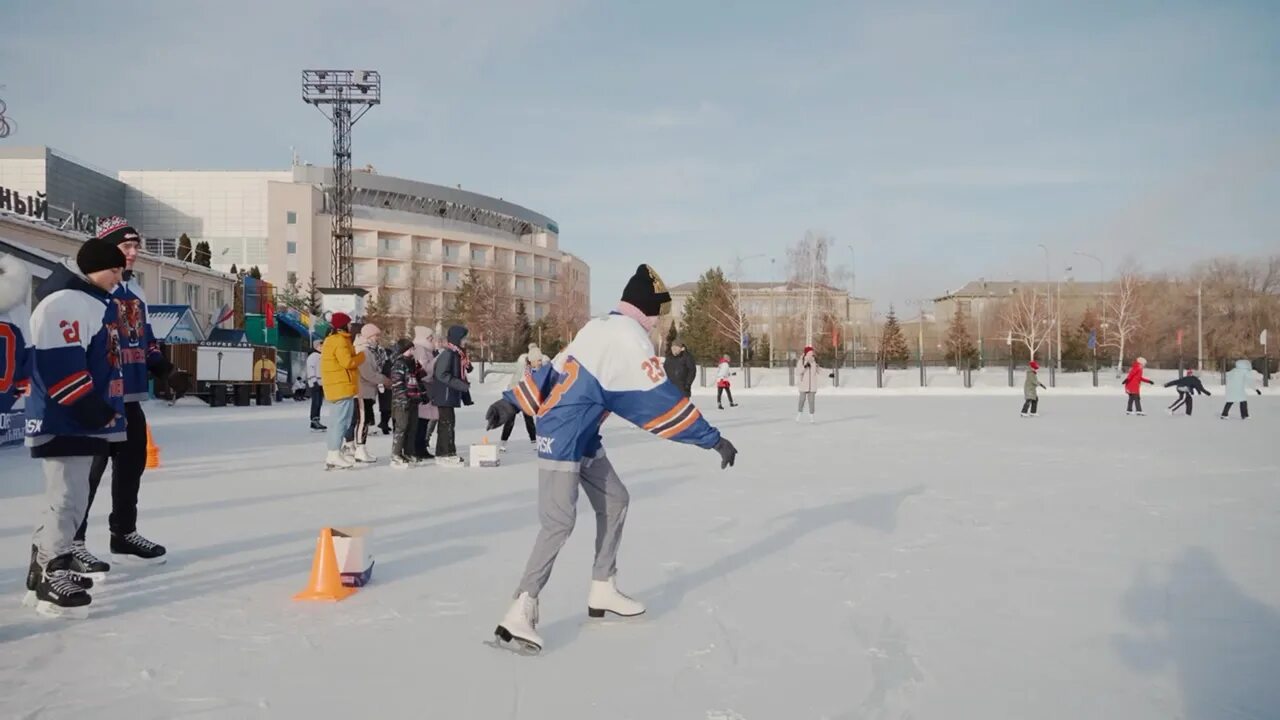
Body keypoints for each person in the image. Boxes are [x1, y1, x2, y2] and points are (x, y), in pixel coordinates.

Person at [484, 264, 738, 654]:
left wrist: (513, 400)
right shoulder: (627, 337)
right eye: (656, 313)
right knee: (559, 522)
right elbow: (658, 396)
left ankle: (602, 587)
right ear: (644, 310)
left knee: (616, 499)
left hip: (583, 435)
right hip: (563, 431)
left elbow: (554, 368)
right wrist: (711, 438)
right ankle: (520, 608)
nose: (656, 323)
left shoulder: (599, 326)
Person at [37, 218, 174, 573]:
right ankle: (73, 542)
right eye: (125, 248)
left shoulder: (135, 291)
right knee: (87, 474)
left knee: (131, 467)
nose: (133, 254)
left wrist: (162, 367)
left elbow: (144, 336)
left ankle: (124, 533)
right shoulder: (89, 290)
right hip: (95, 398)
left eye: (135, 247)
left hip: (129, 394)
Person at [24, 238, 129, 618]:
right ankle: (52, 571)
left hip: (77, 418)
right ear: (93, 268)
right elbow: (60, 363)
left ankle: (46, 566)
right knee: (66, 498)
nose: (119, 277)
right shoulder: (66, 303)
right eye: (113, 270)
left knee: (70, 497)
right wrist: (90, 408)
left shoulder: (89, 300)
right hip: (64, 417)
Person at [320, 312, 365, 469]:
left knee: (335, 422)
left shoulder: (331, 340)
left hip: (335, 386)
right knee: (341, 422)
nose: (351, 326)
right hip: (342, 386)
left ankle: (333, 453)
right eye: (349, 323)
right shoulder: (340, 341)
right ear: (344, 325)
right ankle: (334, 454)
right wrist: (361, 357)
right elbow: (347, 362)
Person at [430, 325, 472, 466]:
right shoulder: (448, 354)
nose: (466, 341)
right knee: (446, 424)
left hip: (449, 395)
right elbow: (441, 374)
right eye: (464, 338)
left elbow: (460, 370)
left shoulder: (457, 354)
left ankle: (445, 452)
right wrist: (461, 385)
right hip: (444, 395)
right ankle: (445, 453)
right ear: (457, 339)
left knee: (448, 423)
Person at [347, 323, 389, 464]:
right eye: (376, 335)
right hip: (361, 391)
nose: (378, 338)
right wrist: (384, 380)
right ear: (369, 336)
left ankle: (357, 447)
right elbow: (368, 374)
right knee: (362, 420)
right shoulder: (363, 351)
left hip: (366, 390)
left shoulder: (368, 350)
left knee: (362, 420)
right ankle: (360, 449)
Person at [0, 253, 32, 431]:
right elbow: (30, 361)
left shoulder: (18, 314)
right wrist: (14, 398)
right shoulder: (18, 312)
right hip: (5, 402)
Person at [388, 338, 428, 468]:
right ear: (404, 350)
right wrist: (403, 398)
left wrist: (423, 395)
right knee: (402, 427)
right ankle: (396, 454)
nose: (412, 351)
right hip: (402, 402)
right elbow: (397, 384)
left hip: (414, 400)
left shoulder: (413, 364)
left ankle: (409, 452)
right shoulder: (399, 364)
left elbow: (418, 381)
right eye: (410, 349)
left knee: (412, 428)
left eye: (413, 349)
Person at [500, 344, 544, 451]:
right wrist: (488, 370)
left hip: (526, 398)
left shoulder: (538, 370)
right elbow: (505, 368)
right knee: (510, 420)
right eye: (538, 360)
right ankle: (503, 443)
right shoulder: (521, 367)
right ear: (532, 360)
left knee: (529, 420)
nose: (539, 363)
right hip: (515, 397)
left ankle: (534, 442)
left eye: (540, 360)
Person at [411, 325, 438, 461]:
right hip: (422, 388)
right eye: (430, 337)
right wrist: (436, 361)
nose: (432, 340)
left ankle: (421, 447)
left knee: (424, 420)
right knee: (421, 421)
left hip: (427, 388)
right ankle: (418, 448)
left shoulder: (424, 349)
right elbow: (424, 371)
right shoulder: (420, 349)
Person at [796, 345, 823, 423]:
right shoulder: (801, 361)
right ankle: (799, 413)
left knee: (811, 401)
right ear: (806, 353)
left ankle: (812, 416)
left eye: (812, 353)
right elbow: (798, 372)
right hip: (803, 384)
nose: (811, 354)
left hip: (812, 385)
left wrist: (829, 374)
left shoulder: (814, 362)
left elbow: (819, 370)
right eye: (810, 353)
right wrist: (805, 367)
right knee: (802, 400)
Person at [306, 339, 325, 431]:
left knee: (319, 402)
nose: (322, 347)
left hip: (321, 383)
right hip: (315, 382)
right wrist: (313, 380)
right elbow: (311, 368)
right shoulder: (313, 356)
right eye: (320, 346)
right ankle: (314, 421)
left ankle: (317, 420)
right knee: (316, 402)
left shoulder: (321, 356)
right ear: (316, 347)